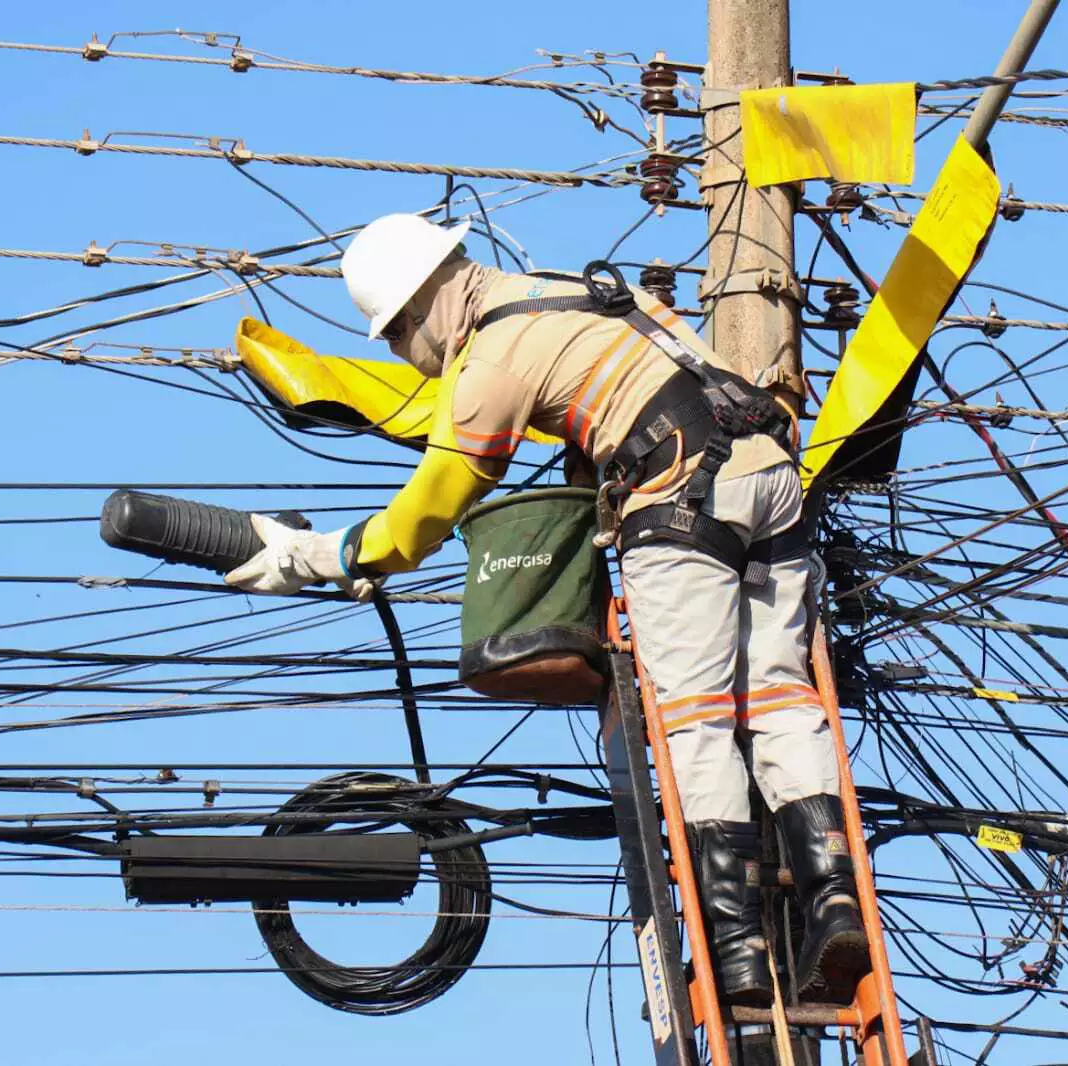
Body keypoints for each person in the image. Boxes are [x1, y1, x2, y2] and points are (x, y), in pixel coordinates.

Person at [225, 212, 871, 1005]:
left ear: (424, 304)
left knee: (695, 719)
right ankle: (835, 901)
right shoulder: (571, 290)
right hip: (769, 476)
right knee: (778, 697)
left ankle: (736, 950)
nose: (400, 353)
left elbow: (436, 501)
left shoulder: (489, 362)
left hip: (679, 498)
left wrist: (331, 555)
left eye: (395, 334)